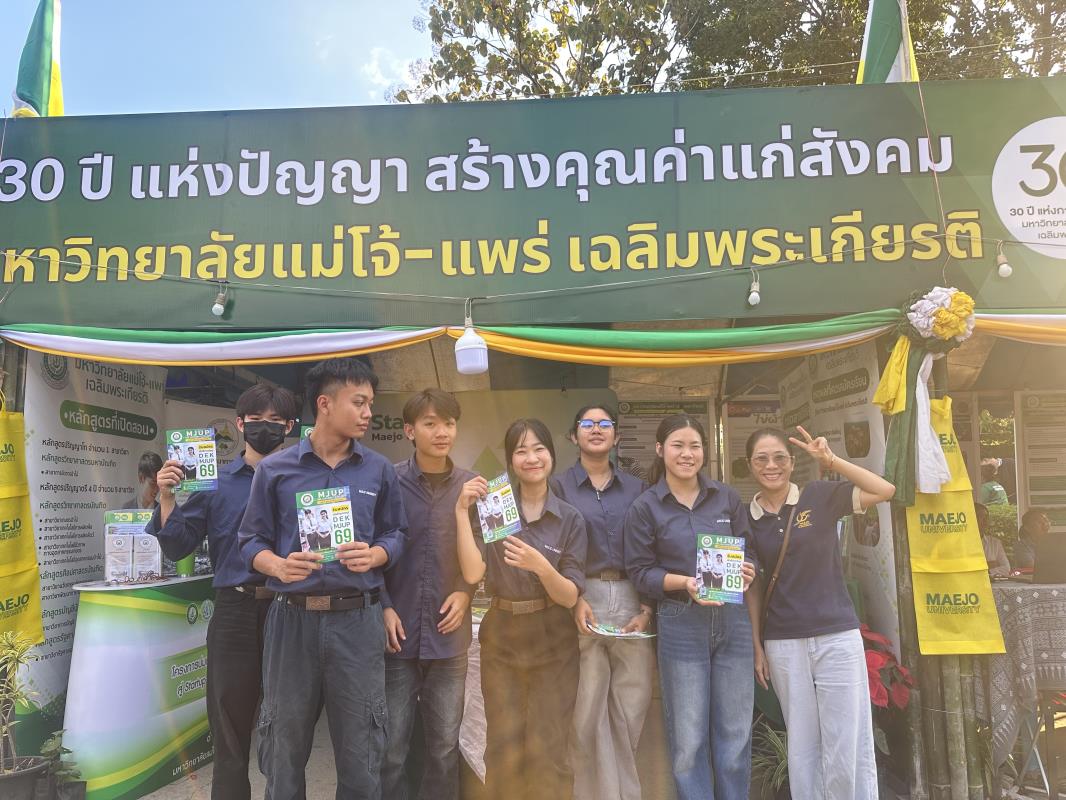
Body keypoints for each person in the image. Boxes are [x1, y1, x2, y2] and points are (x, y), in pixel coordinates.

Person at [238, 358, 407, 800]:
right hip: (291, 622)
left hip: (358, 623)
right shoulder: (275, 470)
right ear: (325, 404)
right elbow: (249, 541)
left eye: (370, 403)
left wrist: (376, 554)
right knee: (283, 745)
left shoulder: (378, 470)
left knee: (362, 748)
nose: (369, 413)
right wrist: (277, 565)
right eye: (359, 402)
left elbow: (397, 533)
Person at [148, 385, 297, 800]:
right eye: (256, 419)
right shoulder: (215, 484)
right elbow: (179, 545)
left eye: (275, 421)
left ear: (289, 427)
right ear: (240, 424)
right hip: (235, 613)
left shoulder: (303, 480)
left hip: (292, 611)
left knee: (289, 727)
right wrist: (166, 497)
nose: (265, 427)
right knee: (229, 727)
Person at [746, 426, 895, 800]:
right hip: (783, 641)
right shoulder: (747, 518)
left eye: (779, 457)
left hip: (836, 635)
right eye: (761, 459)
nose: (771, 465)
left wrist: (832, 461)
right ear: (749, 465)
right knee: (802, 742)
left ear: (792, 462)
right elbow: (754, 587)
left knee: (847, 736)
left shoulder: (818, 496)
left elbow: (885, 490)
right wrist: (757, 645)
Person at [623, 414, 756, 800]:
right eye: (678, 445)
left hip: (733, 620)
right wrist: (684, 583)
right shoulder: (646, 507)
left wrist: (748, 569)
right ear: (660, 449)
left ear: (705, 451)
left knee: (735, 735)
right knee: (688, 741)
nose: (687, 453)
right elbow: (640, 571)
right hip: (680, 621)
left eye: (695, 446)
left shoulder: (726, 497)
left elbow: (750, 551)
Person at [456, 418, 587, 800]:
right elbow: (472, 571)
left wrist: (542, 567)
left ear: (551, 454)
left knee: (550, 746)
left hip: (553, 635)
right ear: (511, 460)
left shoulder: (570, 518)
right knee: (503, 744)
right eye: (521, 451)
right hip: (502, 633)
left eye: (539, 449)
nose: (531, 458)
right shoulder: (493, 507)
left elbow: (569, 597)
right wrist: (461, 512)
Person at [553, 404, 652, 800]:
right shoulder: (558, 487)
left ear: (616, 436)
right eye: (587, 424)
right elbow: (555, 548)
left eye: (605, 424)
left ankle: (623, 793)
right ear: (573, 435)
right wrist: (574, 598)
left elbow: (649, 547)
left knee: (632, 706)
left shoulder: (637, 489)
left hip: (631, 597)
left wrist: (647, 607)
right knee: (586, 709)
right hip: (583, 599)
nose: (596, 429)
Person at [381, 389, 476, 800]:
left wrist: (466, 592)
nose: (442, 432)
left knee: (444, 749)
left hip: (448, 639)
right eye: (430, 423)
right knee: (391, 750)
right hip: (397, 636)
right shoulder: (387, 482)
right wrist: (383, 606)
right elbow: (370, 553)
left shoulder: (472, 486)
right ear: (409, 430)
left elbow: (483, 555)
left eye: (449, 423)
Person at [975, 502, 1010, 578]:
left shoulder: (995, 543)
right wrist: (990, 565)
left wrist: (987, 571)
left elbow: (1007, 568)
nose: (985, 520)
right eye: (980, 516)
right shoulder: (962, 543)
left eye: (986, 517)